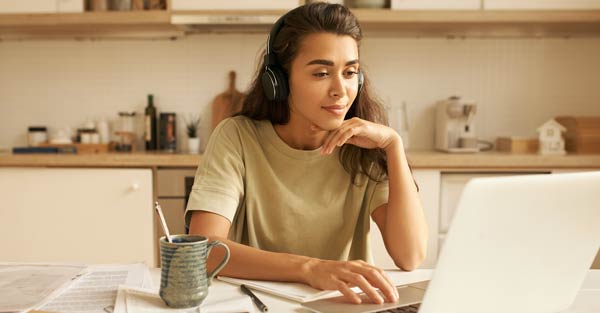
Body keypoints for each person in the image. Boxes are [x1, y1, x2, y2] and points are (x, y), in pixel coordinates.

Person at [185, 2, 428, 305]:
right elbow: (204, 250)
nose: (340, 89)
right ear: (279, 81)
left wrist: (393, 146)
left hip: (347, 307)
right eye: (322, 73)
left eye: (350, 72)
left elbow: (411, 256)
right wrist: (310, 268)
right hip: (264, 305)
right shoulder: (237, 137)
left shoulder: (366, 145)